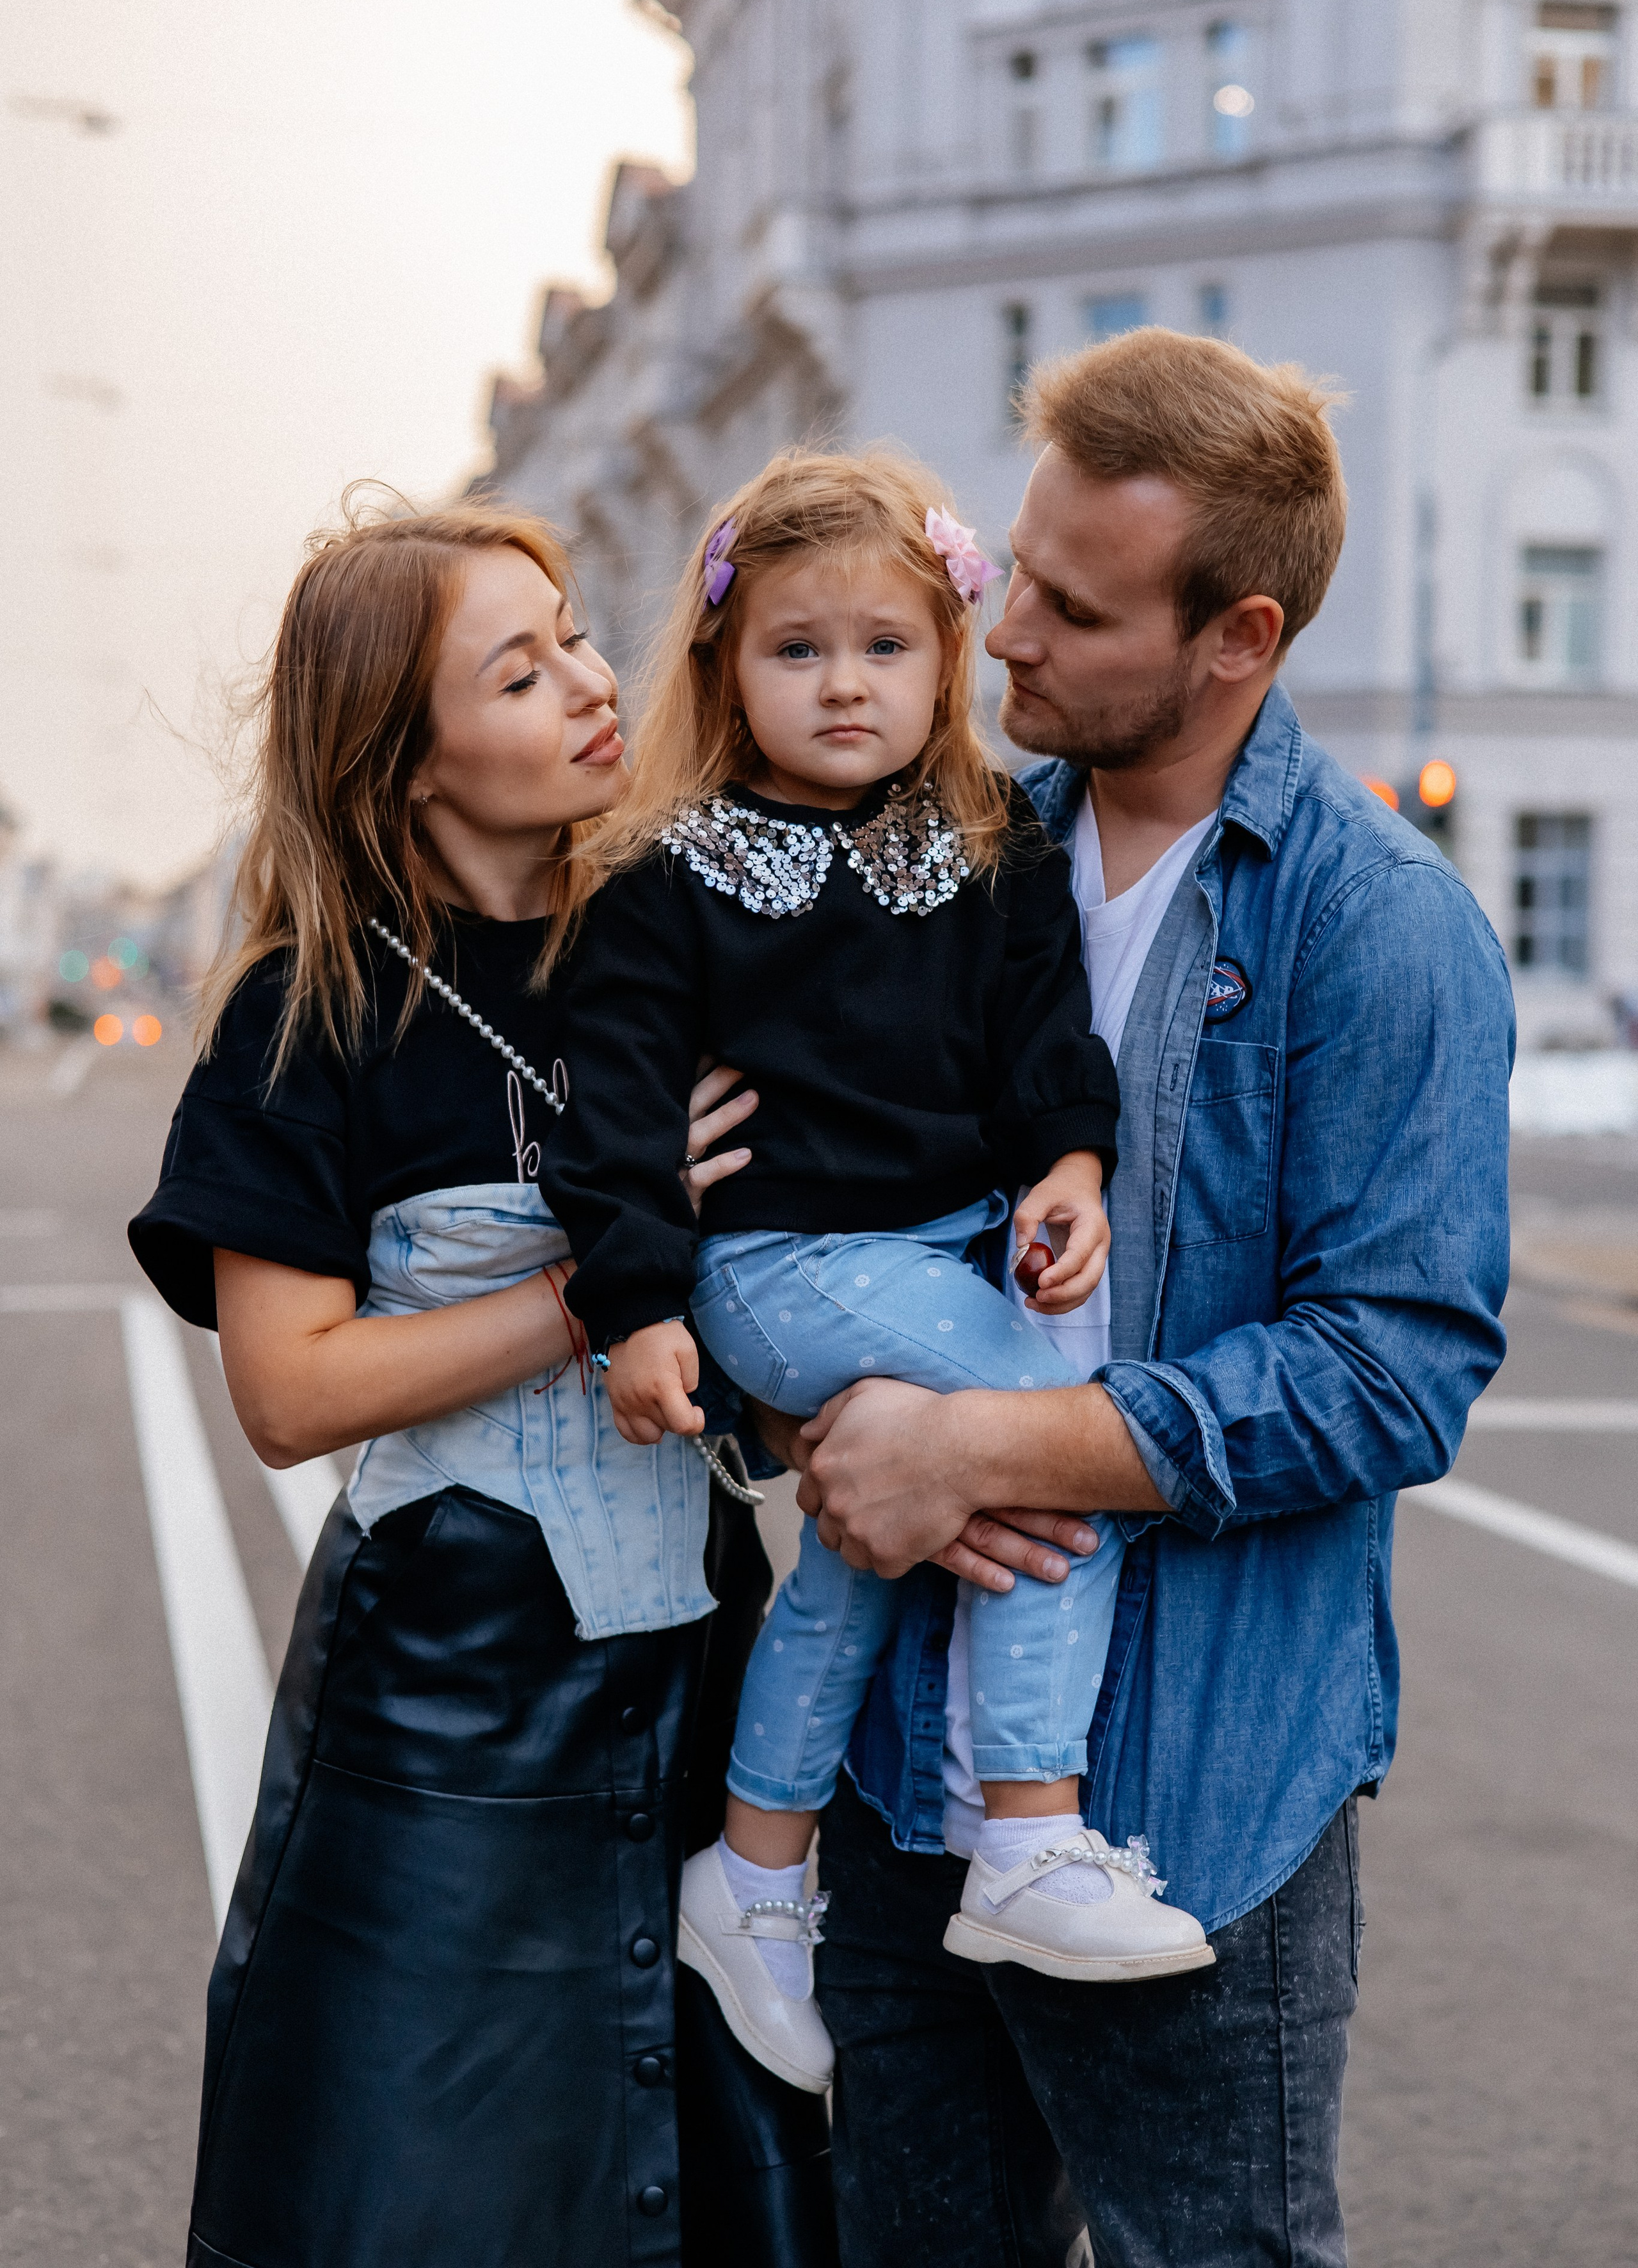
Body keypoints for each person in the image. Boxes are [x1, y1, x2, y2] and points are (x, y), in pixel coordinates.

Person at [768, 330, 1514, 2268]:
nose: (1001, 635)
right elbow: (832, 1230)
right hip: (905, 1773)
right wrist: (806, 1400)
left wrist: (973, 1447)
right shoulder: (941, 858)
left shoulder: (1375, 919)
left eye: (1074, 608)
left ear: (1236, 638)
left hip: (1193, 1811)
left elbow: (1391, 1372)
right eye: (1015, 569)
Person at [128, 501, 838, 2268]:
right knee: (424, 2169)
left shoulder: (677, 950)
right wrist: (603, 1267)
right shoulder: (313, 1013)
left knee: (743, 2142)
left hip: (700, 1646)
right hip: (444, 1687)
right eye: (519, 673)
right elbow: (290, 1393)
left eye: (577, 638)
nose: (593, 686)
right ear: (406, 756)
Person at [542, 449, 1212, 2097]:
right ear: (724, 664)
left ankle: (756, 1872)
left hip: (940, 1256)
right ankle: (1030, 1832)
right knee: (1061, 1417)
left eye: (884, 648)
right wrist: (636, 1306)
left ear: (945, 658)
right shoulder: (665, 876)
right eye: (796, 649)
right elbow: (612, 1116)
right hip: (776, 1267)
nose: (844, 683)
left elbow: (1045, 1049)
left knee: (872, 1533)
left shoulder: (990, 852)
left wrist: (1067, 1168)